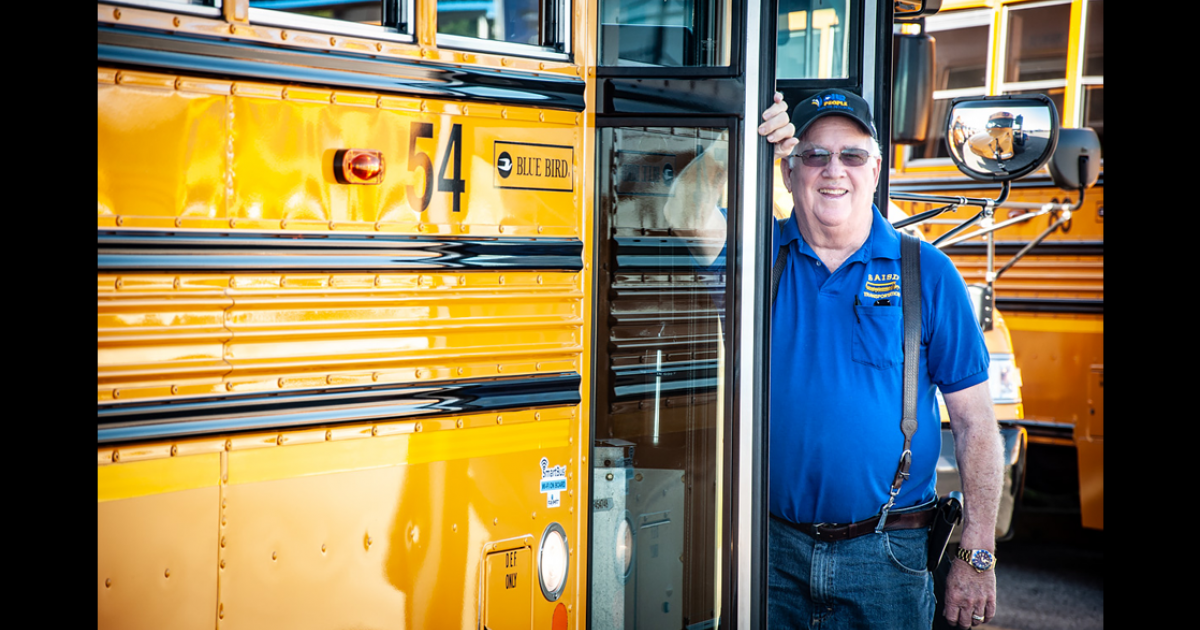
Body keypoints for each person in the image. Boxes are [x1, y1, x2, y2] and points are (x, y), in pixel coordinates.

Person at [756, 90, 1005, 629]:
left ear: (875, 170)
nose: (833, 171)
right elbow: (673, 213)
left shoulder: (929, 274)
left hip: (887, 559)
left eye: (851, 155)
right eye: (814, 155)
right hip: (768, 553)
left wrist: (976, 554)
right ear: (788, 172)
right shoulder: (759, 259)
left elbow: (976, 425)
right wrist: (740, 142)